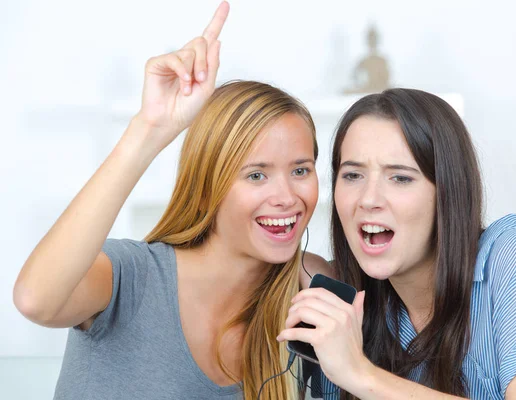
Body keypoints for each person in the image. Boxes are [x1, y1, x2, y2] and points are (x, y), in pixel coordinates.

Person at [13, 2, 324, 399]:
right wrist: (149, 129)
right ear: (208, 184)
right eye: (256, 174)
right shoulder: (131, 277)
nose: (286, 198)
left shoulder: (304, 301)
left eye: (300, 170)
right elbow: (35, 300)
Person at [278, 88, 516, 399]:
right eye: (352, 176)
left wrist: (361, 374)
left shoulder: (514, 259)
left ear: (447, 194)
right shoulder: (350, 303)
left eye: (400, 177)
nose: (368, 199)